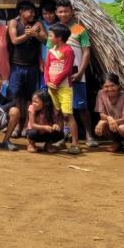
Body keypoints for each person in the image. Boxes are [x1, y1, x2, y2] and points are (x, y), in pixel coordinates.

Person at [56, 0, 97, 148]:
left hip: (76, 73)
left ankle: (89, 135)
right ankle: (64, 135)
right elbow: (50, 50)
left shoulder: (79, 29)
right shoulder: (54, 30)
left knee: (81, 106)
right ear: (56, 13)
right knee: (62, 107)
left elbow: (86, 51)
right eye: (60, 11)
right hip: (60, 74)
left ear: (72, 11)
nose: (63, 14)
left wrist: (81, 71)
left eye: (66, 11)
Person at [8, 1, 46, 134]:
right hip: (17, 66)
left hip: (32, 67)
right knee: (16, 96)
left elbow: (46, 39)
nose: (33, 14)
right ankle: (17, 125)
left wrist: (36, 34)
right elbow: (14, 40)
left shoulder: (37, 24)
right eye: (30, 11)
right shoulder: (13, 22)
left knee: (31, 97)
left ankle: (26, 125)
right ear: (21, 12)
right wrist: (28, 34)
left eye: (33, 12)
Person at [44, 23, 80, 155]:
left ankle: (75, 143)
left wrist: (56, 82)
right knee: (57, 113)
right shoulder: (51, 50)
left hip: (64, 87)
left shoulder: (68, 50)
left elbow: (67, 70)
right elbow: (47, 68)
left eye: (51, 35)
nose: (49, 37)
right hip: (52, 87)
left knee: (67, 115)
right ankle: (60, 139)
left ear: (59, 37)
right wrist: (48, 82)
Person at [94, 73, 124, 155]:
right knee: (102, 124)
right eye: (106, 86)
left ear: (118, 86)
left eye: (112, 85)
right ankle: (117, 143)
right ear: (102, 87)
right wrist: (108, 119)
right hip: (115, 125)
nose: (109, 89)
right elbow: (102, 114)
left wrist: (106, 121)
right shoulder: (101, 94)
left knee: (122, 128)